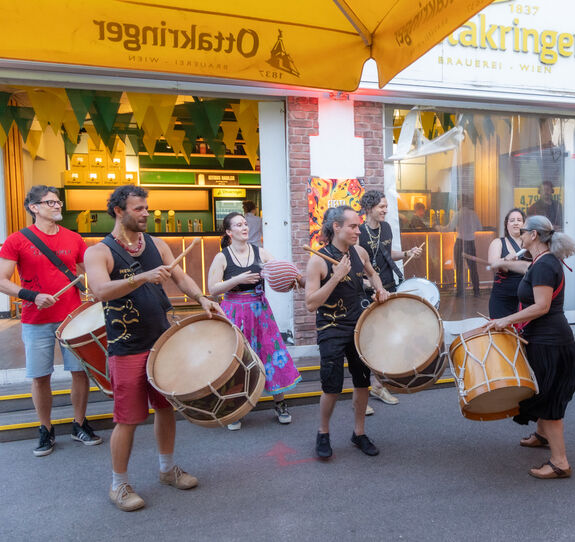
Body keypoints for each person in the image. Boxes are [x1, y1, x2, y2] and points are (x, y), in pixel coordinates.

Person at [85, 185, 224, 512]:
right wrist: (142, 277)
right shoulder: (99, 252)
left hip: (162, 341)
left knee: (164, 408)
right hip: (126, 345)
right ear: (119, 211)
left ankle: (166, 469)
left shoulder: (157, 244)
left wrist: (202, 298)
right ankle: (118, 485)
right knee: (128, 419)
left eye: (147, 208)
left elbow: (181, 277)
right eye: (138, 209)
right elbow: (101, 290)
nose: (146, 213)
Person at [0, 185, 102, 456]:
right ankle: (45, 429)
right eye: (50, 203)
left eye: (58, 202)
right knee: (40, 376)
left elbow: (86, 270)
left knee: (80, 372)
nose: (58, 206)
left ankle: (79, 424)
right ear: (33, 207)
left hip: (73, 317)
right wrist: (32, 295)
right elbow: (1, 281)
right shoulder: (17, 240)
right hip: (36, 319)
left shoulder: (73, 238)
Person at [484, 215, 575, 479]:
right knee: (542, 391)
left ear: (534, 236)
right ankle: (541, 435)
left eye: (524, 230)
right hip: (547, 337)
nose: (520, 232)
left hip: (549, 341)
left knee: (549, 400)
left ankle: (560, 462)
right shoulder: (541, 261)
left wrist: (505, 320)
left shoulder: (543, 265)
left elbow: (542, 306)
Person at [304, 205, 390, 459]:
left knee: (362, 382)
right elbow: (311, 304)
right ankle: (323, 432)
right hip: (331, 328)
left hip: (358, 326)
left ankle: (359, 433)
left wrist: (380, 289)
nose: (358, 230)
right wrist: (335, 276)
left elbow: (373, 274)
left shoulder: (359, 252)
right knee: (332, 387)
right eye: (353, 226)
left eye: (359, 226)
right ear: (336, 227)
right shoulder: (318, 260)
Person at [208, 212, 302, 430]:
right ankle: (235, 408)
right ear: (229, 232)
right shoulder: (222, 257)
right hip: (233, 311)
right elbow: (213, 290)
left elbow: (281, 272)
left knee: (271, 355)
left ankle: (280, 403)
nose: (244, 227)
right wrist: (237, 280)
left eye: (245, 224)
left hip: (260, 311)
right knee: (237, 359)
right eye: (238, 225)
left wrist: (293, 279)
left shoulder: (261, 253)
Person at [358, 191, 423, 408]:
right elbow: (357, 267)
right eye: (382, 207)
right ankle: (362, 394)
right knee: (367, 340)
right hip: (367, 291)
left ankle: (378, 386)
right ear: (369, 208)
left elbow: (386, 252)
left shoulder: (385, 228)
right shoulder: (358, 233)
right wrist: (369, 286)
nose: (386, 210)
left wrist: (406, 253)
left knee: (385, 337)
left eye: (386, 206)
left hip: (387, 286)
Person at [487, 208, 530, 318]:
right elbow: (493, 264)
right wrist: (505, 260)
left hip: (527, 297)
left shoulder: (531, 243)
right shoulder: (498, 242)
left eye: (519, 220)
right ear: (507, 224)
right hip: (503, 299)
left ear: (524, 224)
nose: (516, 223)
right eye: (512, 220)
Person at [442, 195, 482, 296]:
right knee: (473, 268)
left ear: (460, 202)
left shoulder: (458, 214)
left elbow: (449, 228)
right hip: (471, 242)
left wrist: (437, 227)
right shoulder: (473, 214)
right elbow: (480, 228)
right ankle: (476, 291)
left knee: (459, 269)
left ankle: (460, 292)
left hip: (460, 242)